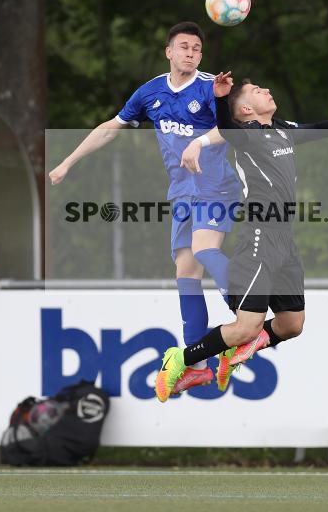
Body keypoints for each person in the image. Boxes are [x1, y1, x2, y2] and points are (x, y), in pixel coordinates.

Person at [48, 21, 242, 394]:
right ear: (169, 51)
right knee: (185, 272)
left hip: (215, 186)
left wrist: (199, 142)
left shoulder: (210, 88)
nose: (190, 53)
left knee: (205, 249)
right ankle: (196, 362)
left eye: (197, 48)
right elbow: (111, 127)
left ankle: (247, 317)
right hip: (183, 193)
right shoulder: (150, 93)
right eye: (184, 47)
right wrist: (68, 161)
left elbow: (231, 129)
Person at [155, 73, 328, 401]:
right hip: (260, 236)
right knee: (245, 327)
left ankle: (233, 353)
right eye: (256, 91)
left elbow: (311, 130)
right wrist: (222, 100)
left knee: (291, 324)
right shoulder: (247, 136)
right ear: (247, 111)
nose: (266, 90)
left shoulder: (282, 129)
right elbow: (225, 128)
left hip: (285, 240)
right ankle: (180, 359)